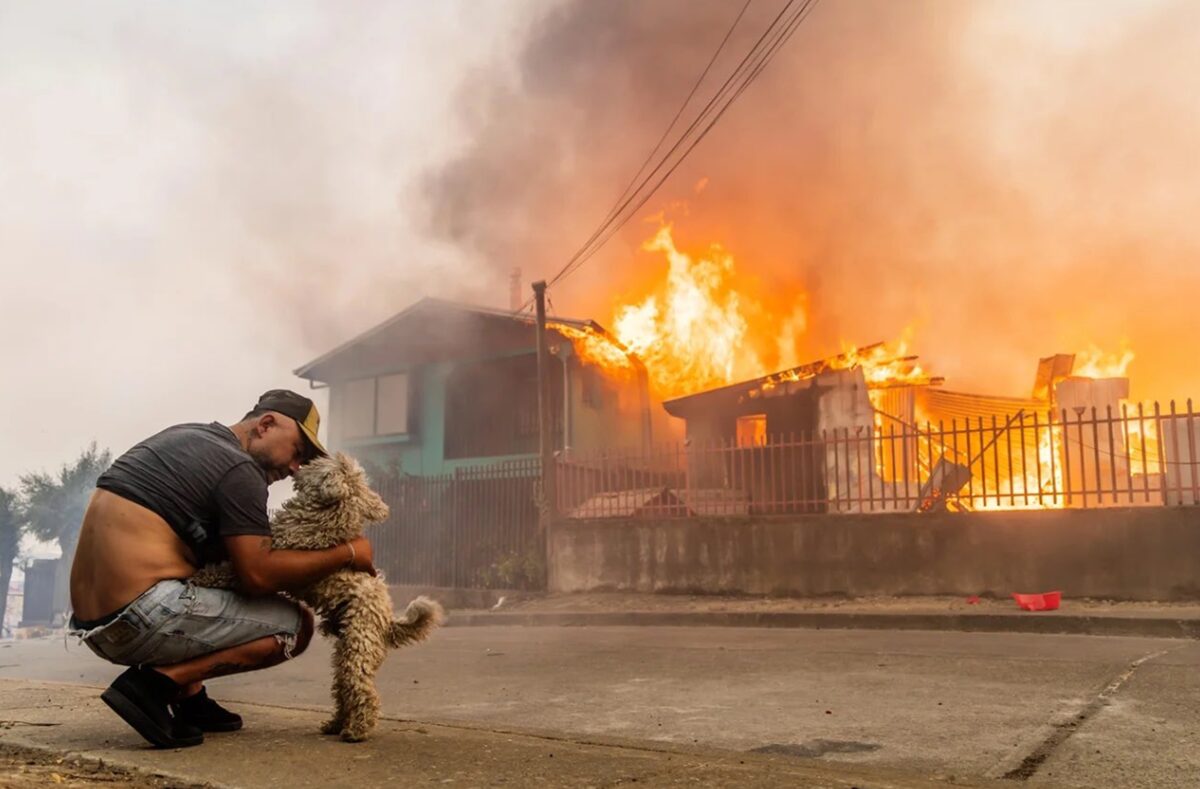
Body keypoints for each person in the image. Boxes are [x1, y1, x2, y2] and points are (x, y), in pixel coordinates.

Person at [69, 389, 376, 748]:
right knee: (295, 626)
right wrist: (348, 553)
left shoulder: (187, 436)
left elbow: (215, 563)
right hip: (141, 615)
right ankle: (154, 686)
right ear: (265, 425)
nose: (296, 468)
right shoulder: (239, 469)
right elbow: (258, 575)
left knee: (207, 573)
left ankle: (190, 699)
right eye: (297, 452)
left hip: (94, 626)